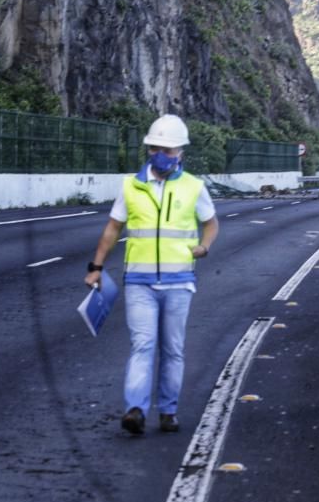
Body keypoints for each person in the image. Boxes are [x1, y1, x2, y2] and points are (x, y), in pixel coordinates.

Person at [84, 114, 219, 435]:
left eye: (169, 150)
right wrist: (96, 267)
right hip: (139, 282)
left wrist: (204, 246)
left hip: (179, 282)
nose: (163, 154)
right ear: (149, 149)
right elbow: (113, 228)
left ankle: (169, 410)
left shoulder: (193, 187)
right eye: (158, 148)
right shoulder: (131, 186)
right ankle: (135, 410)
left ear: (180, 153)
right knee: (142, 344)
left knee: (173, 348)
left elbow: (211, 222)